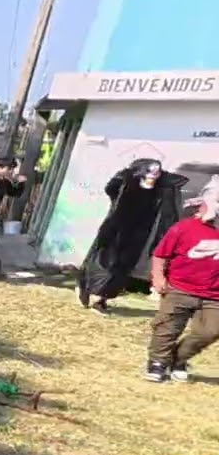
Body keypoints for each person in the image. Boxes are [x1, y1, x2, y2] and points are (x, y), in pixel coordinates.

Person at [77, 158, 186, 315]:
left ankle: (101, 299)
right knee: (105, 263)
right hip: (116, 230)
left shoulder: (161, 188)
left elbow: (171, 200)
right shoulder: (127, 183)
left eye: (158, 171)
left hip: (139, 234)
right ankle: (89, 289)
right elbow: (111, 189)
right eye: (150, 171)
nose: (154, 175)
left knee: (123, 267)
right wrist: (127, 176)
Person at [144, 177, 219, 382]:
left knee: (211, 331)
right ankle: (157, 362)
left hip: (214, 295)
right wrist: (158, 278)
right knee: (168, 327)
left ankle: (178, 359)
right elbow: (161, 254)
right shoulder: (184, 228)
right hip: (180, 288)